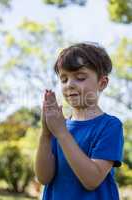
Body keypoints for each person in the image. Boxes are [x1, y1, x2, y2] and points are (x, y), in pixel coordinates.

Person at [35, 42, 124, 200]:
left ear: (102, 83)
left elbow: (92, 180)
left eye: (80, 77)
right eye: (64, 79)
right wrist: (46, 133)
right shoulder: (59, 126)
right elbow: (44, 177)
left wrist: (61, 133)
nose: (69, 84)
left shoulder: (110, 126)